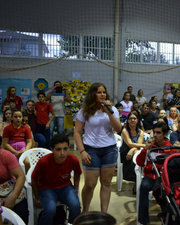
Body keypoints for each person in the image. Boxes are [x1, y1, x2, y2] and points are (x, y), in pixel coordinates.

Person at [73, 82, 121, 213]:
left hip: (109, 149)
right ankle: (85, 212)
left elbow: (118, 128)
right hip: (91, 149)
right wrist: (82, 151)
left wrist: (109, 112)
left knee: (106, 183)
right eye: (99, 92)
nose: (102, 94)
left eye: (104, 92)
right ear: (93, 94)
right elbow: (77, 132)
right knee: (90, 184)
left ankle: (104, 214)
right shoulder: (85, 110)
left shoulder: (112, 109)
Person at [31, 134, 81, 224]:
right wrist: (37, 198)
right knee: (50, 210)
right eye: (58, 149)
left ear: (68, 148)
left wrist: (76, 189)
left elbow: (77, 173)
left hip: (65, 186)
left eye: (65, 149)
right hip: (46, 188)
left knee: (76, 206)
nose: (62, 153)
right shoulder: (43, 161)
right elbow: (33, 178)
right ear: (52, 149)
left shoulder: (73, 159)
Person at [135, 122, 176, 225]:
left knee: (165, 191)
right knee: (144, 187)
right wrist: (145, 149)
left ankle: (166, 216)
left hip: (163, 178)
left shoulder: (170, 148)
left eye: (159, 133)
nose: (155, 135)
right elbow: (139, 163)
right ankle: (143, 220)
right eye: (154, 132)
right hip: (150, 176)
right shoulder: (150, 146)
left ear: (165, 134)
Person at [120, 111, 145, 182]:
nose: (132, 120)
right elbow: (130, 144)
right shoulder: (125, 131)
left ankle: (137, 179)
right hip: (125, 152)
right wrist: (144, 145)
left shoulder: (141, 132)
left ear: (137, 120)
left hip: (134, 152)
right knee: (137, 153)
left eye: (134, 118)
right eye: (130, 118)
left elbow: (138, 146)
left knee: (137, 152)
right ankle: (136, 178)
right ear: (127, 120)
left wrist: (132, 150)